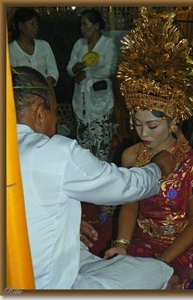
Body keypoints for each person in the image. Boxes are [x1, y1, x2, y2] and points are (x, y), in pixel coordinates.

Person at [11, 65, 181, 289]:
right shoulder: (54, 152)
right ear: (39, 111)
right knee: (161, 273)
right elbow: (123, 186)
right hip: (38, 284)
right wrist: (157, 168)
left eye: (152, 125)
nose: (144, 133)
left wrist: (64, 219)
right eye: (53, 110)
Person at [103, 8, 193, 289]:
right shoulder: (132, 156)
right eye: (137, 124)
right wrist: (121, 243)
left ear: (174, 119)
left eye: (152, 126)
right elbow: (130, 204)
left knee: (162, 285)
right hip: (140, 238)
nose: (143, 134)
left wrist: (163, 262)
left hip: (179, 249)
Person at [66, 8, 118, 163]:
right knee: (84, 152)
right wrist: (75, 69)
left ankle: (104, 182)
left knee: (101, 151)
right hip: (80, 105)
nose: (82, 28)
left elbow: (110, 69)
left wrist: (87, 74)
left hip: (100, 105)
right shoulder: (79, 44)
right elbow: (69, 69)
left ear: (96, 25)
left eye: (85, 24)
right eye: (81, 25)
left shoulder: (107, 44)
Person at [9, 7, 59, 87]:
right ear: (20, 25)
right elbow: (13, 78)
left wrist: (43, 87)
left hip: (45, 93)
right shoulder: (10, 50)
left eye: (37, 24)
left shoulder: (44, 45)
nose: (36, 27)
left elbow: (53, 72)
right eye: (32, 24)